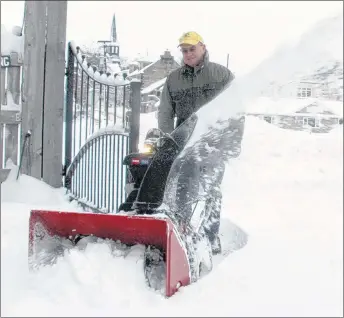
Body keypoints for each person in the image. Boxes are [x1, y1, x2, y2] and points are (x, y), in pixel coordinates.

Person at [158, 31, 243, 255]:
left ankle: (210, 235)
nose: (188, 54)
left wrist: (233, 143)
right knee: (183, 189)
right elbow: (165, 112)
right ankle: (182, 229)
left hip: (215, 144)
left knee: (212, 191)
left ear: (203, 47)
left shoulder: (221, 74)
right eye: (184, 51)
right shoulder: (174, 79)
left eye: (192, 49)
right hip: (186, 145)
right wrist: (167, 140)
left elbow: (237, 111)